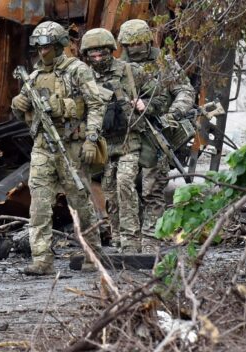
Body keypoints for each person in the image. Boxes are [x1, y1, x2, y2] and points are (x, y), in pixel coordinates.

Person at [11, 21, 104, 275]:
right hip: (42, 147)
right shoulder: (33, 77)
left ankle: (93, 253)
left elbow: (96, 105)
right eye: (39, 48)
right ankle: (42, 259)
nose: (43, 52)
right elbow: (26, 115)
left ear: (60, 45)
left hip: (71, 145)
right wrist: (19, 105)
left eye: (48, 47)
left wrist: (91, 139)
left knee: (80, 202)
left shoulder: (77, 70)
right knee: (39, 204)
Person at [80, 28, 167, 252]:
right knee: (109, 191)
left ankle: (131, 240)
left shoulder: (130, 71)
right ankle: (117, 237)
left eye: (102, 55)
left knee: (125, 183)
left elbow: (160, 96)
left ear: (111, 51)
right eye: (93, 56)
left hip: (130, 140)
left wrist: (145, 105)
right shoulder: (84, 77)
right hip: (104, 145)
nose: (98, 60)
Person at [118, 19, 195, 251]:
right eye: (129, 44)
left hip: (158, 131)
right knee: (123, 185)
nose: (135, 48)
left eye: (139, 43)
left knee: (153, 189)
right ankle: (127, 241)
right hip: (128, 135)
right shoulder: (118, 66)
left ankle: (152, 240)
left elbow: (184, 90)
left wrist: (174, 113)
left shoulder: (163, 63)